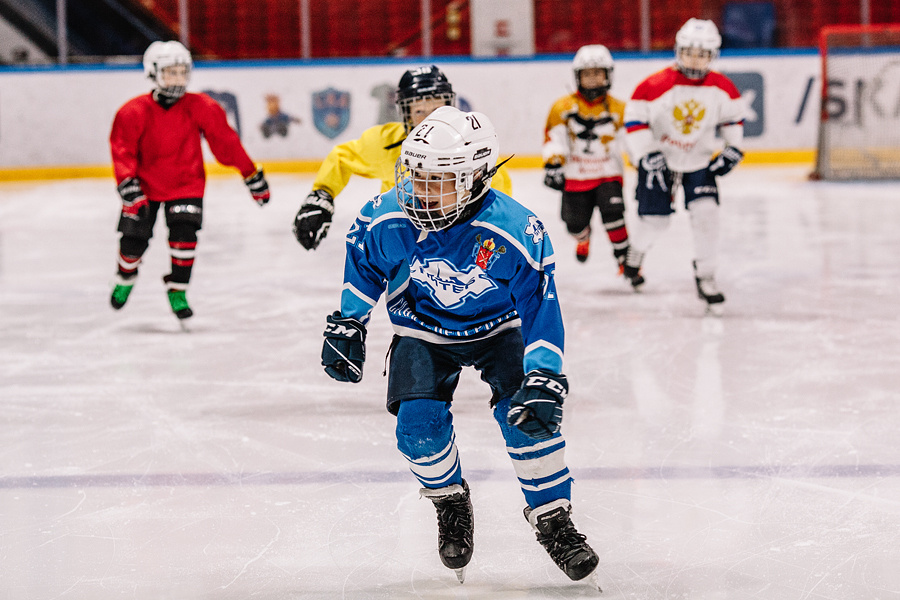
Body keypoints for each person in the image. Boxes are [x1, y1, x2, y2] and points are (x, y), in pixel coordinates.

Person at [318, 106, 601, 589]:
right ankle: (450, 500)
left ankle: (553, 517)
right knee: (417, 430)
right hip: (422, 329)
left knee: (528, 418)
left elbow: (540, 307)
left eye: (438, 180)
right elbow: (365, 263)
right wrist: (349, 321)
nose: (420, 191)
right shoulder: (388, 215)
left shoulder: (514, 230)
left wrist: (544, 374)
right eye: (416, 176)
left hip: (499, 330)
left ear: (476, 179)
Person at [109, 41, 270, 320]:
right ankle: (125, 277)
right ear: (153, 73)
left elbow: (226, 143)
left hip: (186, 184)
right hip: (144, 186)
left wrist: (250, 174)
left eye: (182, 72)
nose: (178, 79)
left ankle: (178, 290)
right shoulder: (132, 111)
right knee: (133, 242)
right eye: (171, 72)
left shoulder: (202, 106)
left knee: (184, 238)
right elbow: (123, 150)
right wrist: (128, 183)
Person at [292, 65, 512, 251]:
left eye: (438, 109)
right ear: (406, 115)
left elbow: (498, 205)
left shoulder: (473, 153)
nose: (430, 120)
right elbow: (342, 158)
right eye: (420, 112)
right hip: (401, 244)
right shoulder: (384, 143)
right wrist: (321, 195)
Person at [622, 18, 745, 313]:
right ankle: (635, 253)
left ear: (713, 55)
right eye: (689, 52)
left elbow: (733, 119)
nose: (694, 60)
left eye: (702, 54)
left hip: (699, 163)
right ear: (678, 51)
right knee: (655, 221)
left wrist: (733, 148)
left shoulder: (723, 88)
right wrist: (646, 154)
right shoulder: (654, 85)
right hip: (659, 162)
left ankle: (706, 276)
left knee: (707, 216)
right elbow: (634, 120)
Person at [542, 44, 631, 273]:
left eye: (597, 73)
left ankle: (626, 261)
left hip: (608, 173)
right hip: (575, 175)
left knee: (614, 215)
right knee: (574, 224)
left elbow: (633, 140)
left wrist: (642, 160)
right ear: (578, 77)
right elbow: (554, 137)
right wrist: (553, 162)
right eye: (587, 73)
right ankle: (583, 237)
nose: (592, 78)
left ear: (608, 75)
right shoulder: (562, 107)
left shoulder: (620, 109)